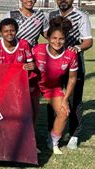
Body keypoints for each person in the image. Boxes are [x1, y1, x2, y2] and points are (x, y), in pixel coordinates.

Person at [45, 0, 93, 149]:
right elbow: (46, 33)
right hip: (55, 61)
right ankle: (51, 134)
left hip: (74, 61)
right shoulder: (51, 15)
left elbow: (88, 40)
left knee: (74, 99)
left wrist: (77, 48)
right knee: (53, 98)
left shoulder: (81, 16)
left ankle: (74, 134)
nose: (63, 0)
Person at [32, 16, 78, 155]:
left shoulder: (70, 55)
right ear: (48, 37)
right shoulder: (37, 49)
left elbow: (72, 79)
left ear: (65, 39)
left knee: (64, 112)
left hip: (53, 88)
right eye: (54, 38)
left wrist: (65, 99)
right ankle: (30, 143)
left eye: (61, 39)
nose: (57, 42)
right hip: (35, 85)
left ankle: (53, 142)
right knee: (32, 112)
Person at [0, 18, 38, 125]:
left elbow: (31, 64)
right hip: (1, 87)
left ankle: (28, 135)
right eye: (6, 31)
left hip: (20, 87)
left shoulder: (24, 44)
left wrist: (32, 66)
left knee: (28, 112)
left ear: (17, 31)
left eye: (12, 30)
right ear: (0, 33)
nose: (9, 33)